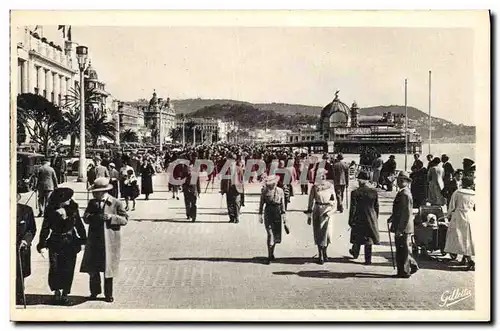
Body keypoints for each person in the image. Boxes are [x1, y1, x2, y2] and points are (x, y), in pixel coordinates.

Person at [80, 177, 128, 303]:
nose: (94, 194)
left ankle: (108, 294)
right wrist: (93, 217)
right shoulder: (92, 203)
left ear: (103, 192)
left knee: (108, 268)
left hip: (109, 241)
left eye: (96, 192)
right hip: (95, 239)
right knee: (93, 267)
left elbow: (125, 219)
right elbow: (85, 217)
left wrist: (111, 217)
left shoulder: (116, 203)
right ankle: (94, 292)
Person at [36, 188, 87, 305]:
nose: (70, 200)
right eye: (67, 198)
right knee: (55, 268)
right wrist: (42, 244)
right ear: (60, 200)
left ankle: (65, 294)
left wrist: (84, 239)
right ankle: (56, 292)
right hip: (55, 241)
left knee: (68, 268)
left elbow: (79, 224)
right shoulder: (50, 210)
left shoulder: (73, 208)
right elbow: (45, 228)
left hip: (70, 242)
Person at [388, 171, 419, 278]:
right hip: (403, 225)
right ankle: (412, 265)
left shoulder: (404, 194)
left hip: (403, 226)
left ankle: (404, 272)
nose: (400, 182)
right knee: (403, 248)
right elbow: (400, 210)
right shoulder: (404, 192)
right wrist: (392, 217)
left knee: (402, 249)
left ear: (407, 182)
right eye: (399, 180)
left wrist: (400, 230)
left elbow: (405, 213)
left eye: (402, 180)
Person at [348, 171, 380, 265]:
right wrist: (375, 218)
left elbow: (352, 208)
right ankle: (368, 259)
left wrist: (351, 220)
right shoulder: (374, 192)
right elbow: (376, 207)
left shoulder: (355, 192)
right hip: (371, 216)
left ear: (360, 180)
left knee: (358, 235)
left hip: (359, 216)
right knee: (369, 238)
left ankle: (355, 253)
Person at [444, 177, 475, 271]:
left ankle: (470, 261)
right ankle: (464, 258)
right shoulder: (475, 194)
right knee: (468, 238)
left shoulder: (458, 192)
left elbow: (452, 205)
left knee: (460, 238)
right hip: (470, 216)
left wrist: (448, 215)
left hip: (459, 216)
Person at [305, 168, 335, 264]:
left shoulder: (330, 186)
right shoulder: (314, 187)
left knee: (328, 234)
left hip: (328, 210)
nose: (322, 177)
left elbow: (334, 200)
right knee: (319, 234)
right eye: (320, 175)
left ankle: (325, 252)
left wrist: (332, 209)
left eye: (323, 175)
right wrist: (309, 215)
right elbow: (310, 201)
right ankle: (320, 255)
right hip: (317, 210)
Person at [258, 175, 287, 264]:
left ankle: (272, 252)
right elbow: (261, 203)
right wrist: (260, 215)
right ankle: (269, 255)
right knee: (270, 234)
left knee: (275, 234)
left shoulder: (280, 191)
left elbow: (282, 204)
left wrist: (284, 215)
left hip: (277, 212)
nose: (272, 185)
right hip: (268, 211)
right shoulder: (264, 191)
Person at [16, 191, 37, 305]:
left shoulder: (26, 210)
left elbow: (31, 229)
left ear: (18, 197)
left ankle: (18, 295)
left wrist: (25, 240)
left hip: (21, 248)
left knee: (20, 273)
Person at [220, 154, 245, 224]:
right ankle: (231, 217)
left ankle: (236, 217)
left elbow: (241, 179)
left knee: (236, 203)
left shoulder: (239, 168)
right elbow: (223, 180)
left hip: (237, 188)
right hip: (229, 188)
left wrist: (242, 187)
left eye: (232, 160)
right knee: (229, 203)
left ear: (234, 160)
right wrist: (222, 189)